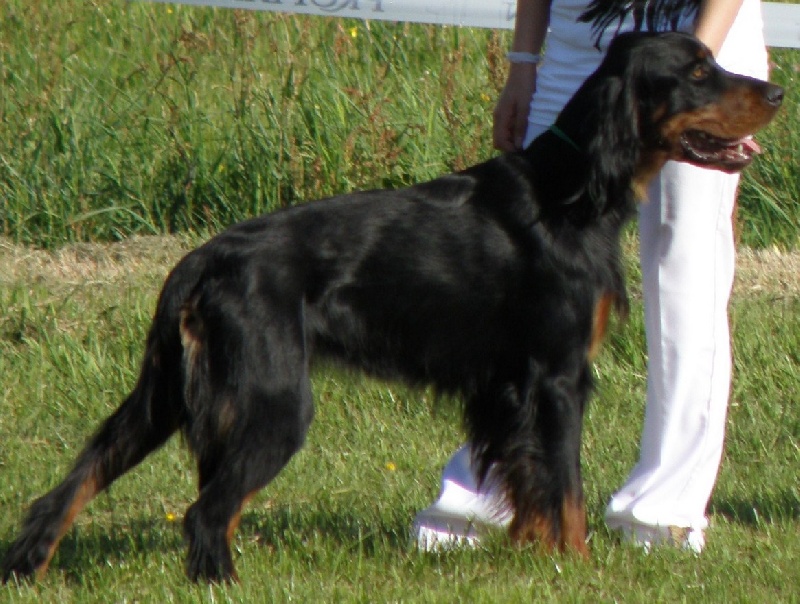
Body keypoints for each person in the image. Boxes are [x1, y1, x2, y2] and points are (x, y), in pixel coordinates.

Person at [412, 0, 769, 554]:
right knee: (520, 287)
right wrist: (523, 61)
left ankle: (661, 513)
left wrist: (695, 75)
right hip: (579, 45)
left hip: (698, 38)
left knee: (685, 274)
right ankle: (478, 499)